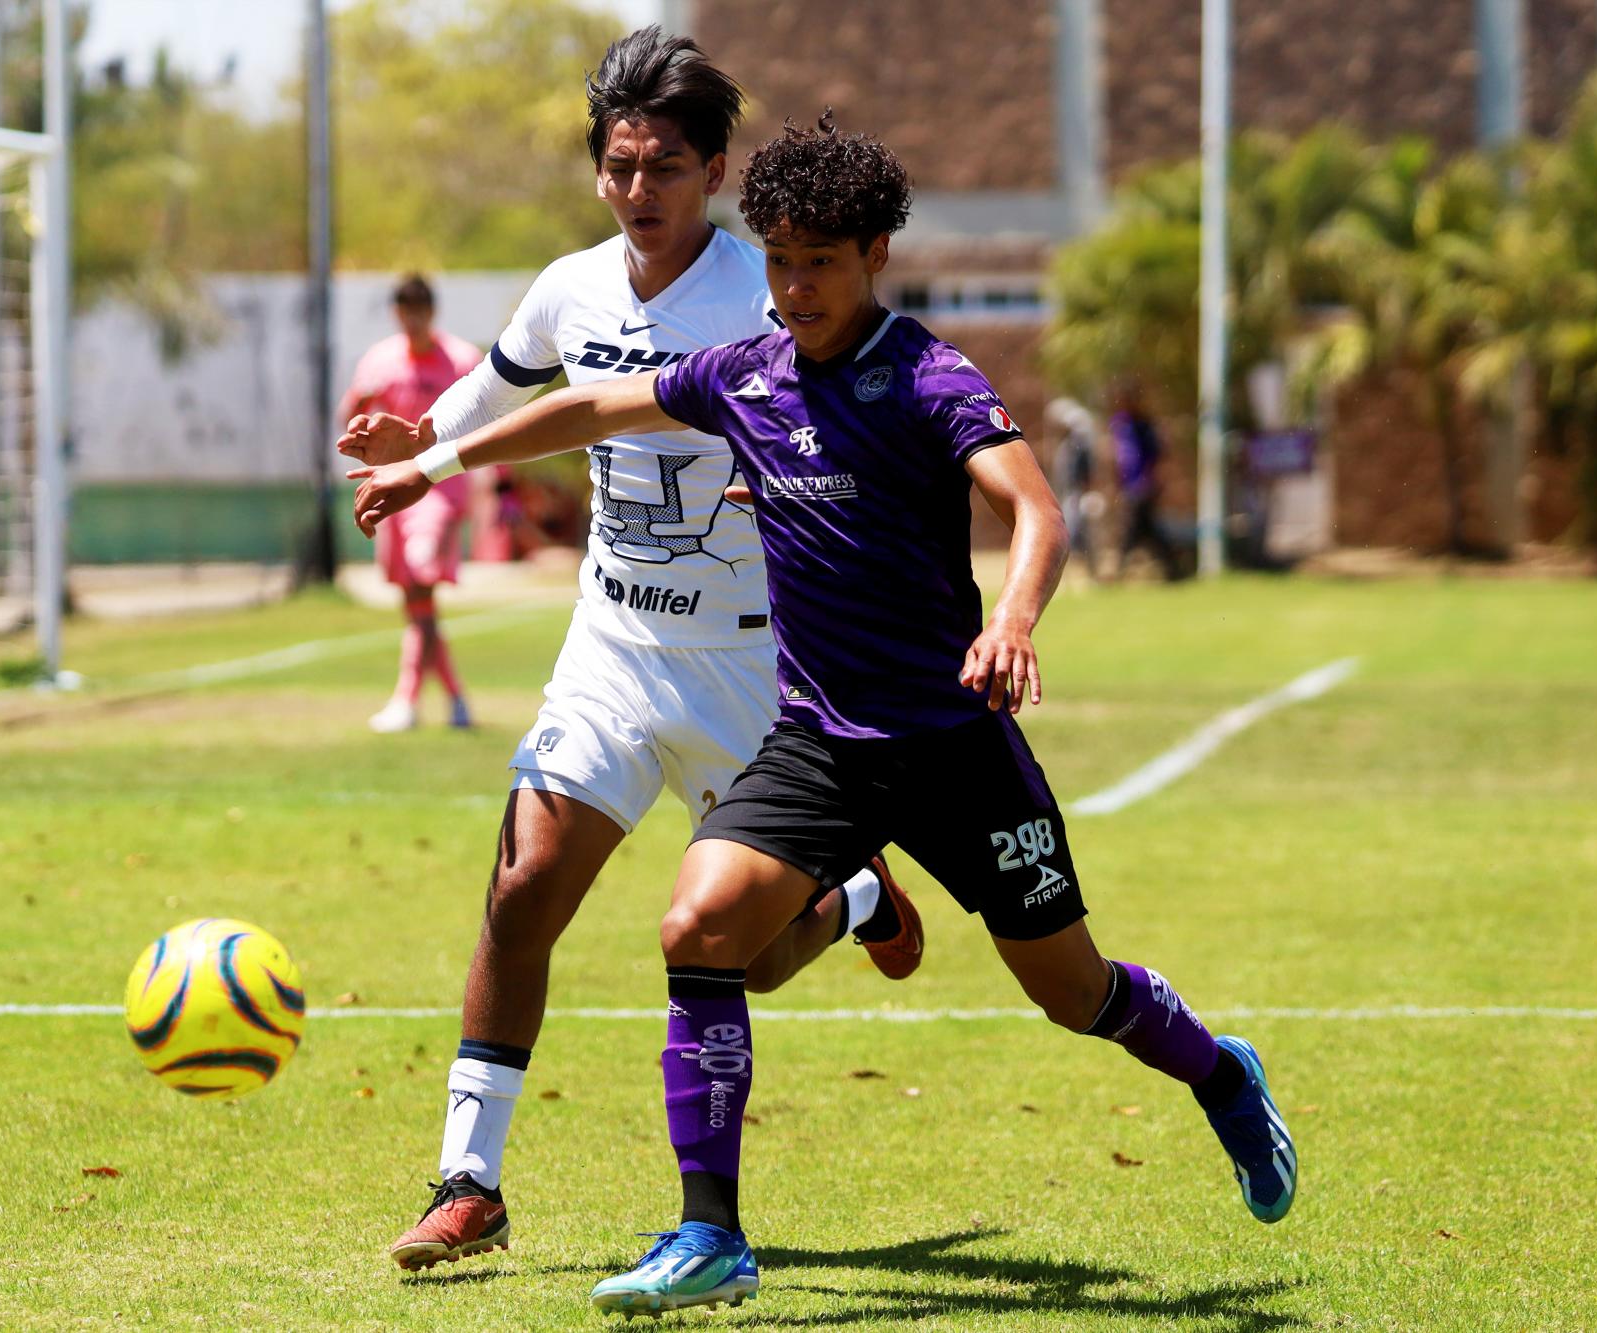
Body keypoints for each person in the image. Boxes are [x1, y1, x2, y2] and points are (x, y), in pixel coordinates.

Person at [351, 112, 1298, 1316]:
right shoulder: (743, 376)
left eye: (823, 262)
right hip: (818, 747)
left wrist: (1007, 623)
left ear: (876, 258)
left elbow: (1036, 511)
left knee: (1073, 993)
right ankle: (711, 1234)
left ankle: (1219, 1074)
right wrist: (427, 462)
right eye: (782, 259)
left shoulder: (926, 376)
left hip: (953, 749)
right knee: (695, 927)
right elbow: (588, 410)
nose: (795, 288)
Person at [335, 29, 924, 1272]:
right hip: (611, 646)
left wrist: (796, 493)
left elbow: (852, 433)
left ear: (713, 169)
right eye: (616, 166)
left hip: (756, 670)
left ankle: (850, 893)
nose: (636, 190)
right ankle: (468, 1180)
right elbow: (504, 390)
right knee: (518, 888)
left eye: (662, 166)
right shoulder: (571, 286)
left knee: (753, 959)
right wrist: (419, 441)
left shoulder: (766, 295)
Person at [339, 275, 483, 732]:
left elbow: (489, 419)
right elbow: (351, 425)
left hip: (440, 489)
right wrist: (360, 406)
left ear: (432, 310)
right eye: (405, 307)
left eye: (420, 306)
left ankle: (406, 700)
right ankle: (456, 700)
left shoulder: (461, 359)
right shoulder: (380, 360)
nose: (413, 315)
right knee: (416, 602)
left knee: (421, 584)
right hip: (393, 492)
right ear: (396, 311)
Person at [1109, 379, 1184, 581]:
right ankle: (1174, 569)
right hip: (1129, 484)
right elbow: (1118, 457)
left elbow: (1157, 456)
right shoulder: (1119, 424)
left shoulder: (1144, 426)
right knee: (1148, 530)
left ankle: (1118, 571)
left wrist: (1155, 482)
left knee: (1132, 530)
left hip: (1143, 484)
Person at [1042, 396, 1102, 576]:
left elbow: (1085, 475)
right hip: (1067, 495)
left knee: (1075, 534)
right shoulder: (1066, 447)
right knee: (1076, 534)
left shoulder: (1079, 448)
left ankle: (1087, 571)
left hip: (1076, 495)